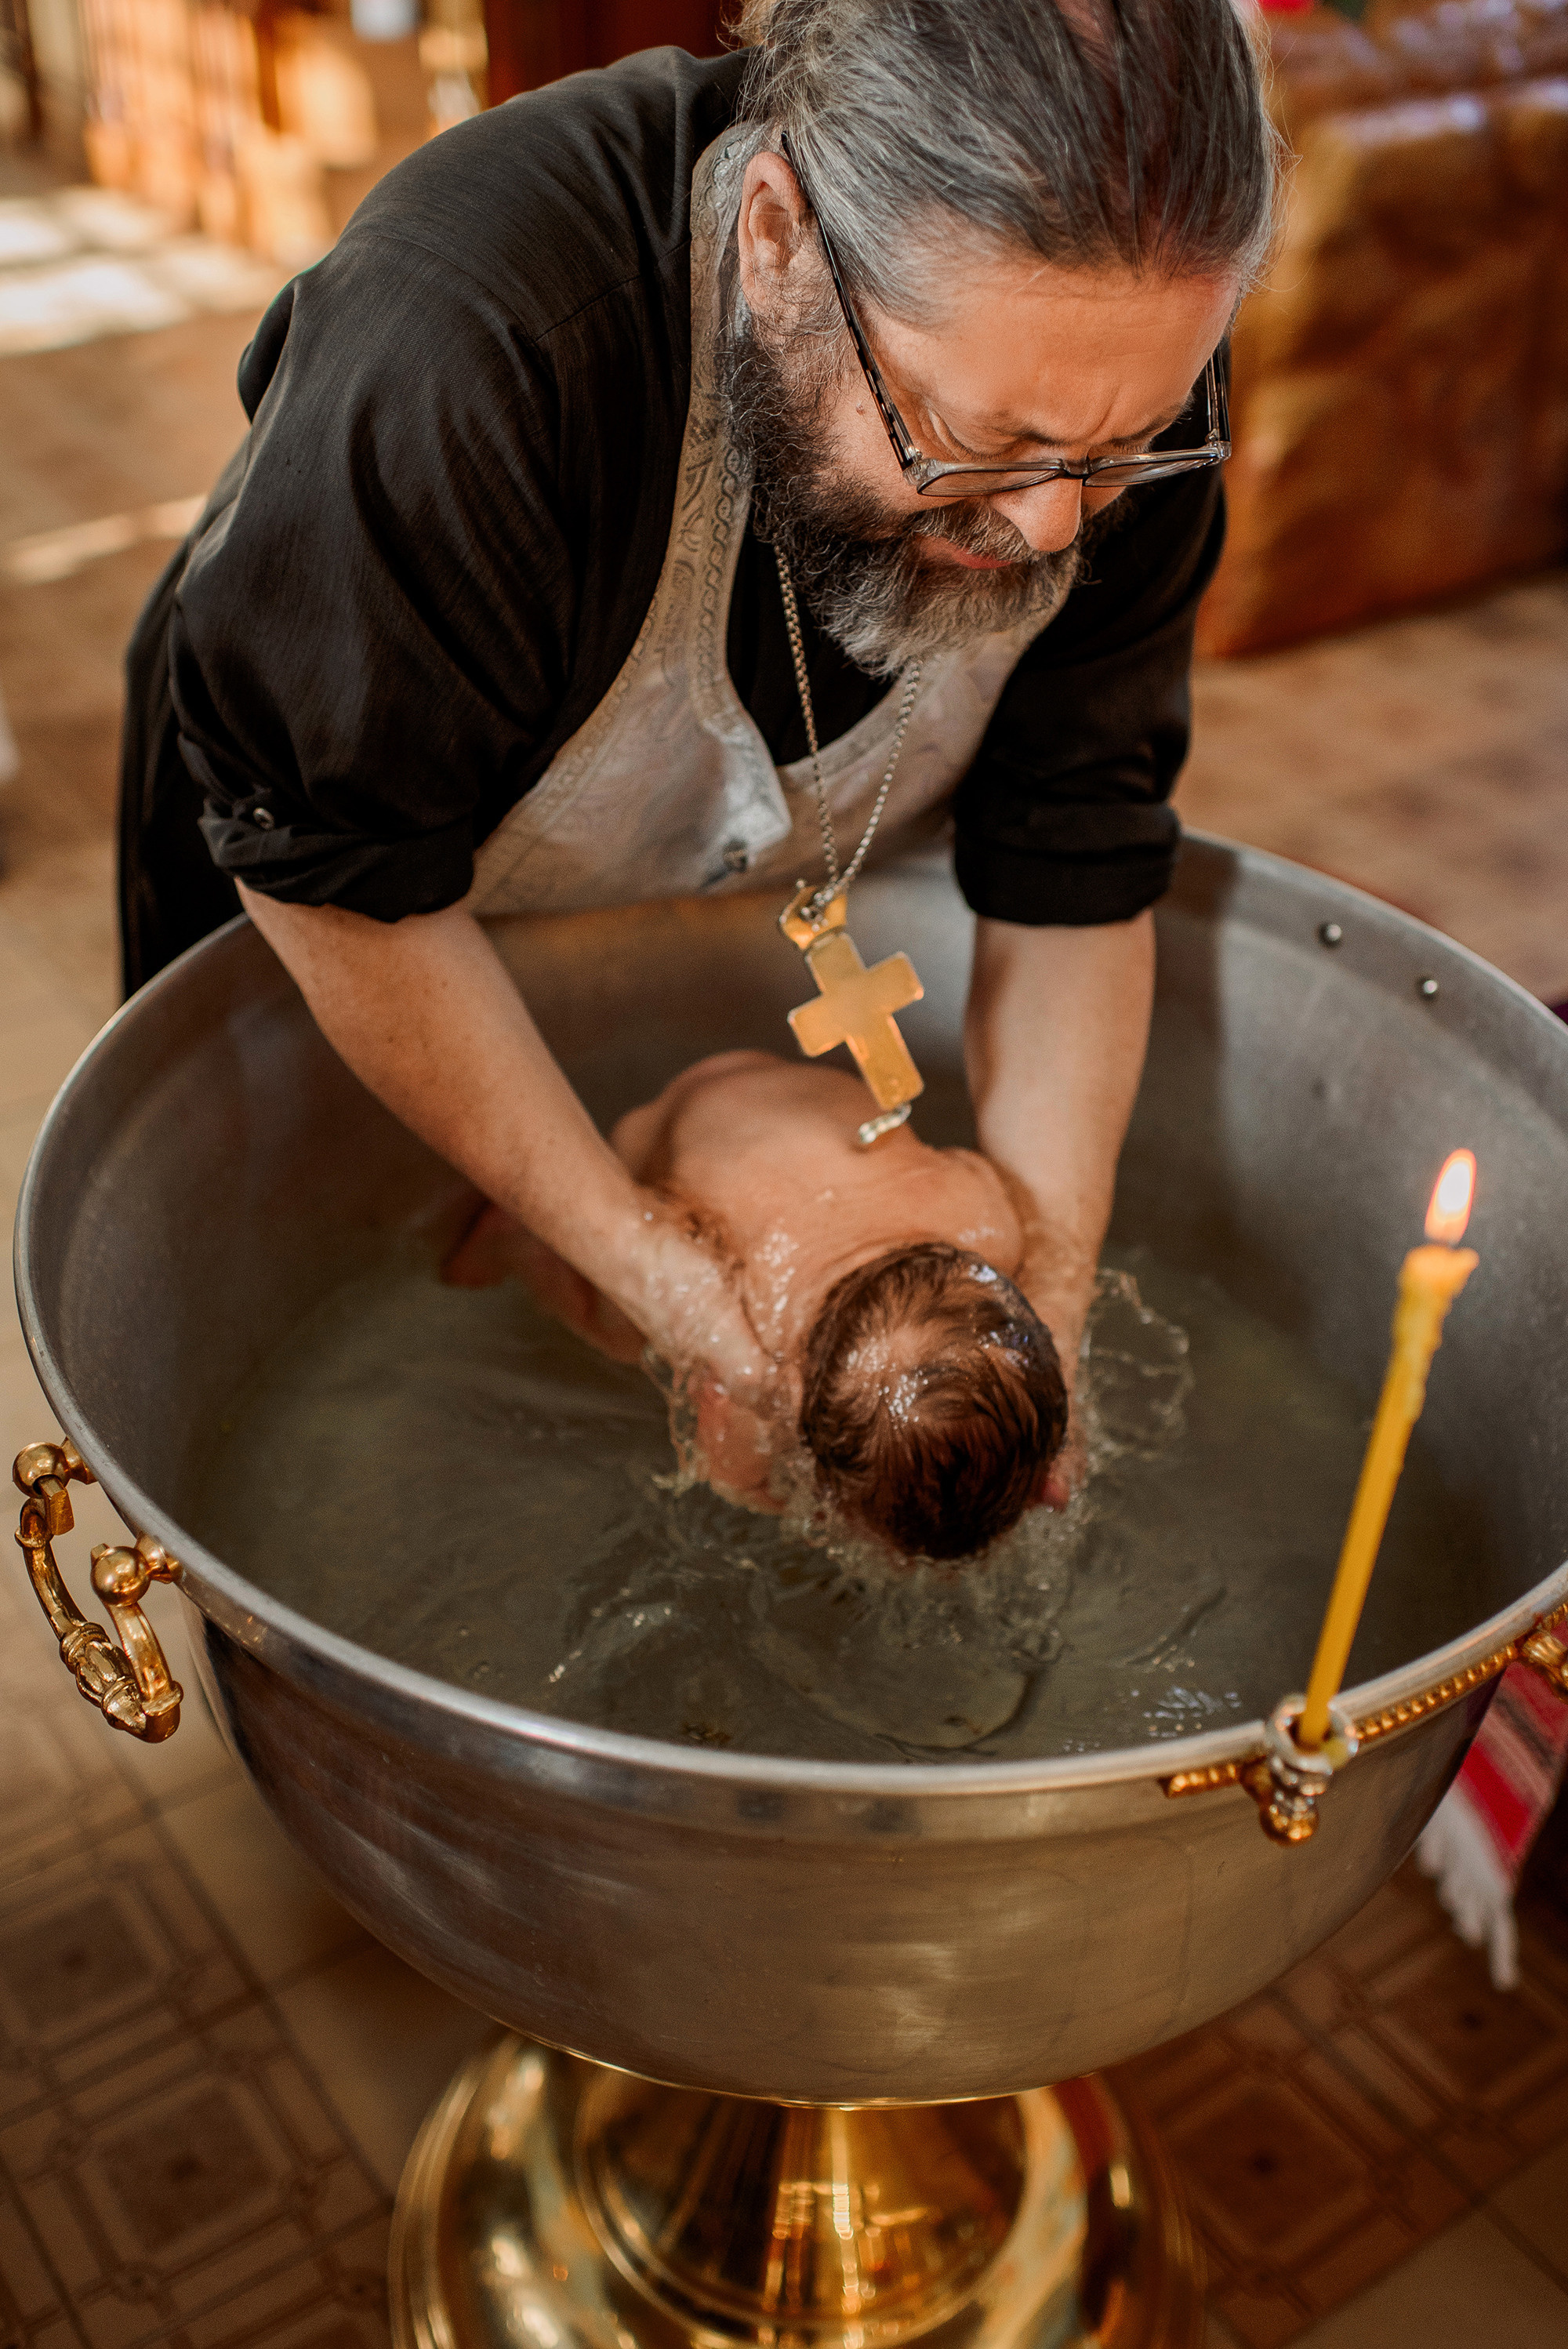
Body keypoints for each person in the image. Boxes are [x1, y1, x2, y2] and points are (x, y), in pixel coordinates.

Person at [118, 0, 1279, 1468]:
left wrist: (1048, 1294)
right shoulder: (474, 346)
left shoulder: (1112, 356)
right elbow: (332, 860)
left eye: (1119, 452)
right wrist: (659, 1276)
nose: (1056, 523)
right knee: (321, 1353)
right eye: (973, 439)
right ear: (779, 235)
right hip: (349, 830)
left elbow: (1078, 840)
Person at [445, 1049, 1069, 1557]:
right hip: (646, 1141)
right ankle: (520, 1244)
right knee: (623, 1331)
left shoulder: (986, 1224)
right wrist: (758, 1488)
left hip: (782, 1080)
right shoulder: (756, 1354)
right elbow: (725, 1464)